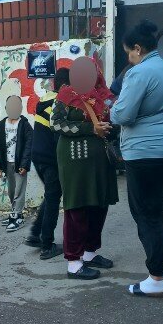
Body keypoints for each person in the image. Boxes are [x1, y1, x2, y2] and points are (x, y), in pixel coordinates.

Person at [110, 20, 163, 297]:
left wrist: (113, 112)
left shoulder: (139, 72)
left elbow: (123, 115)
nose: (128, 59)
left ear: (137, 48)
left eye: (128, 54)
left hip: (145, 152)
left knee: (146, 212)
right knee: (158, 207)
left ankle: (155, 278)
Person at [51, 57, 118, 281]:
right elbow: (56, 123)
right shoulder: (66, 94)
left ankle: (89, 254)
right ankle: (74, 262)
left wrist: (111, 127)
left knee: (99, 204)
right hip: (74, 159)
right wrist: (91, 128)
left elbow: (115, 121)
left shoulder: (106, 97)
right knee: (77, 206)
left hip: (100, 159)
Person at [24, 68, 70, 259]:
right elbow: (58, 134)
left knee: (51, 194)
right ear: (67, 86)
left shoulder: (45, 99)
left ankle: (36, 234)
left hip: (38, 155)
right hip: (51, 158)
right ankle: (47, 245)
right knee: (53, 198)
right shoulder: (59, 102)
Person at [0, 97, 33, 232]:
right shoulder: (0, 126)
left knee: (19, 191)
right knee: (11, 191)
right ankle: (16, 213)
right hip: (7, 163)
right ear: (6, 108)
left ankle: (16, 217)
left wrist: (24, 164)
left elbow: (29, 146)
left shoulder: (25, 125)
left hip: (19, 163)